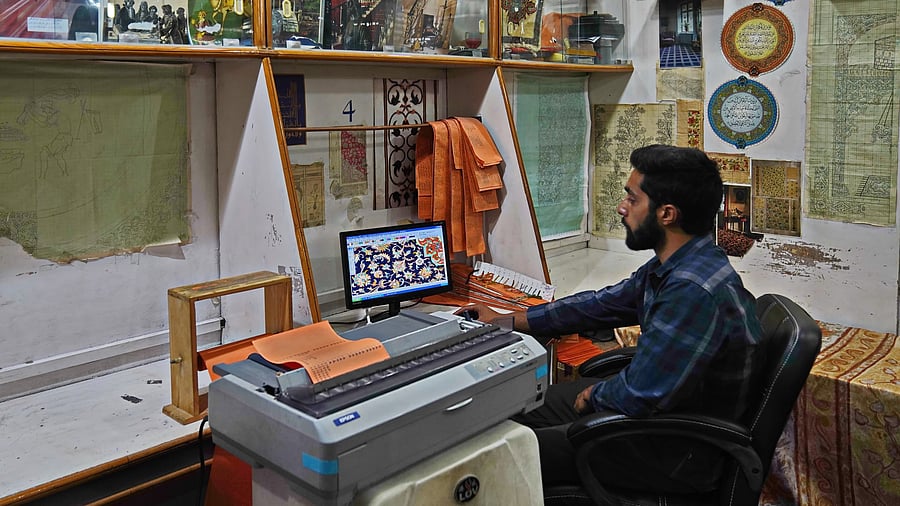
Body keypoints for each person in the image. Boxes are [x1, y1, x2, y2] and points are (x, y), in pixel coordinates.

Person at [457, 144, 764, 495]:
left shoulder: (691, 291)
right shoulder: (684, 262)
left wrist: (596, 396)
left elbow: (640, 394)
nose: (622, 208)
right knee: (519, 406)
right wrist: (512, 321)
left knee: (500, 454)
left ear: (666, 214)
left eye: (632, 199)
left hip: (673, 451)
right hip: (661, 416)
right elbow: (601, 304)